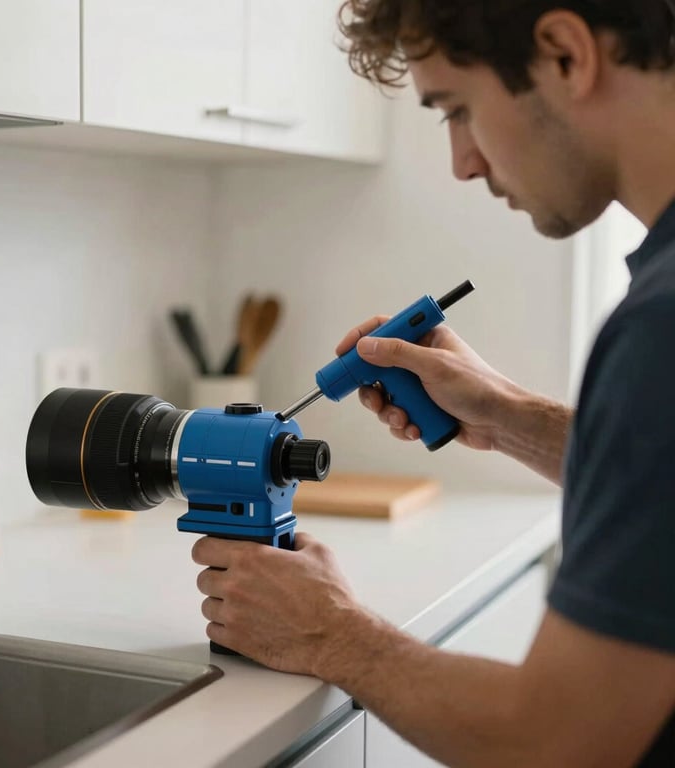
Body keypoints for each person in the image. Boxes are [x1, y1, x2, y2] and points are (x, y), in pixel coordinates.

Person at [191, 1, 675, 765]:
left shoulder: (660, 327)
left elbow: (555, 741)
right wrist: (509, 417)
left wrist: (333, 632)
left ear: (564, 54)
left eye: (457, 109)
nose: (464, 162)